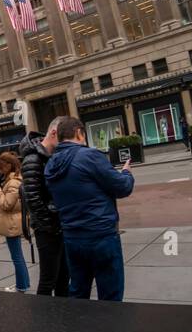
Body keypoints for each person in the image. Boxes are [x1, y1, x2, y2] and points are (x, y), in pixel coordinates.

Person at [43, 117, 134, 302]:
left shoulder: (51, 165)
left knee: (78, 292)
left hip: (72, 239)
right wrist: (126, 173)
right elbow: (122, 188)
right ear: (78, 132)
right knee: (110, 295)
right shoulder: (89, 156)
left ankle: (79, 328)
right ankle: (108, 330)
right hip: (101, 236)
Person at [19, 118, 70, 296]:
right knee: (48, 279)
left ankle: (62, 315)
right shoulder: (33, 158)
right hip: (46, 230)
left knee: (64, 276)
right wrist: (52, 226)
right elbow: (33, 200)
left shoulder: (52, 156)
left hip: (58, 226)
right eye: (65, 138)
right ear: (54, 133)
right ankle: (43, 319)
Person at [0, 151, 30, 293]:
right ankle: (23, 284)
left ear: (7, 166)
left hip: (12, 223)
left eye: (0, 167)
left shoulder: (13, 183)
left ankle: (21, 287)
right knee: (18, 256)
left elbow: (6, 204)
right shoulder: (14, 179)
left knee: (17, 257)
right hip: (14, 221)